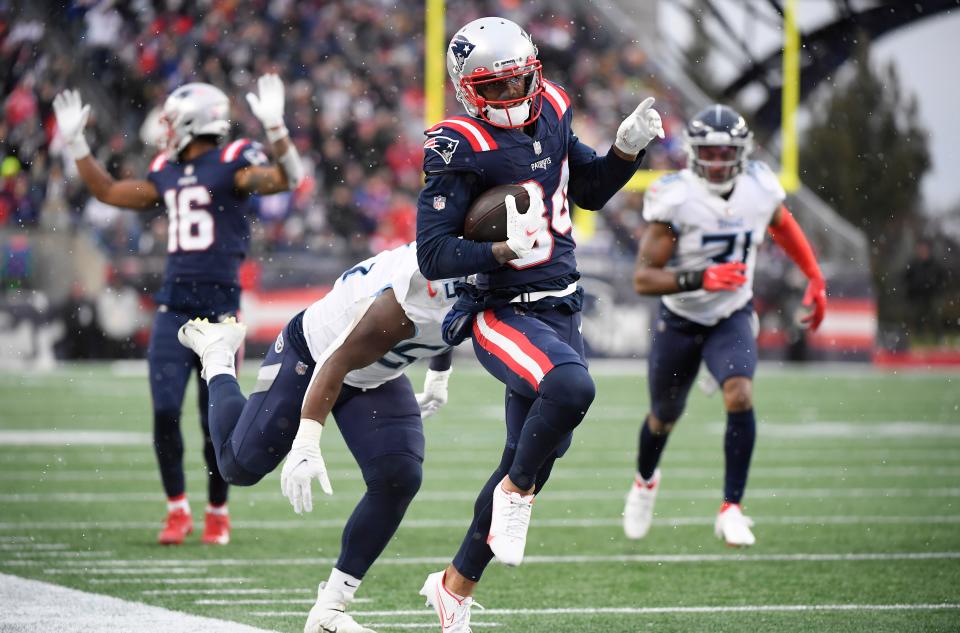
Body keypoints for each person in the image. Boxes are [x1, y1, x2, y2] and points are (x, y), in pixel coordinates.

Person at [414, 16, 663, 631]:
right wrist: (498, 251)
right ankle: (516, 496)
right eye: (494, 89)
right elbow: (434, 253)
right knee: (571, 389)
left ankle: (454, 589)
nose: (512, 97)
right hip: (499, 308)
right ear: (467, 89)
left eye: (519, 81)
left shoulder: (550, 105)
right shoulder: (457, 144)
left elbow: (592, 191)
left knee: (535, 449)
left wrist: (626, 150)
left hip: (563, 301)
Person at [53, 75, 305, 545]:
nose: (165, 130)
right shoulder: (166, 171)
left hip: (221, 315)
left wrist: (276, 128)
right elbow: (108, 191)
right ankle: (176, 509)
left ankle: (216, 510)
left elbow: (287, 178)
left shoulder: (232, 162)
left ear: (192, 122)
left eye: (172, 121)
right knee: (164, 411)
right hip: (174, 311)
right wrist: (75, 142)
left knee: (215, 422)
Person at [177, 242, 461, 633]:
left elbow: (453, 319)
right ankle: (217, 356)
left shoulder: (473, 274)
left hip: (374, 371)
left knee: (399, 475)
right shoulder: (419, 283)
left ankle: (330, 609)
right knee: (237, 466)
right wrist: (307, 441)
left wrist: (439, 374)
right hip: (315, 354)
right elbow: (337, 359)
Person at [623, 104, 828, 547]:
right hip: (679, 318)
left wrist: (814, 276)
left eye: (725, 153)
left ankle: (731, 507)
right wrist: (703, 277)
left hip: (731, 314)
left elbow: (783, 226)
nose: (716, 162)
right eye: (708, 153)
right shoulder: (676, 197)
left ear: (742, 152)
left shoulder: (759, 187)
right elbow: (643, 278)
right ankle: (644, 482)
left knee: (740, 393)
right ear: (695, 154)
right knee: (663, 417)